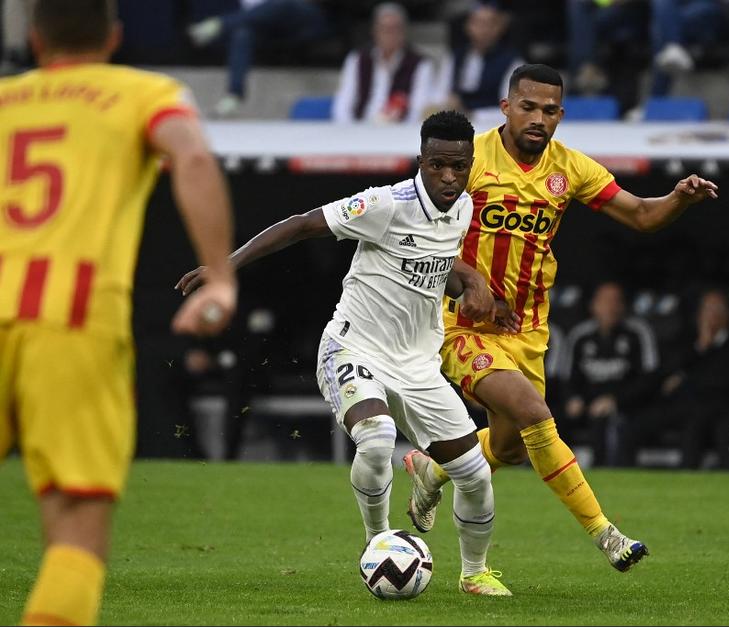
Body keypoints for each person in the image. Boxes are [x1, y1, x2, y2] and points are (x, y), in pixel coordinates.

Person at [177, 110, 518, 596]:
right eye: (438, 164)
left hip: (418, 363)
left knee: (474, 474)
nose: (448, 176)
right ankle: (376, 543)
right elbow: (300, 225)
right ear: (420, 160)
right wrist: (226, 267)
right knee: (377, 437)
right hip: (353, 346)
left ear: (469, 164)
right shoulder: (384, 204)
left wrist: (475, 282)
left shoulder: (461, 208)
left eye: (458, 166)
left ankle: (475, 573)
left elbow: (440, 258)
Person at [403, 64, 718, 573]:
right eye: (528, 107)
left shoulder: (570, 169)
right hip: (459, 324)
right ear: (506, 108)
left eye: (550, 111)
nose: (538, 118)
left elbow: (640, 214)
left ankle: (432, 469)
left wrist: (678, 199)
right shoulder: (469, 159)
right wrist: (470, 281)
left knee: (507, 448)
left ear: (560, 116)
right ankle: (607, 534)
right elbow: (418, 235)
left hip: (526, 330)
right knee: (535, 416)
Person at [0, 1, 238, 624]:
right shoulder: (144, 92)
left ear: (32, 37)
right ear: (114, 36)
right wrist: (219, 278)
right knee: (76, 520)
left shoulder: (5, 100)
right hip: (70, 316)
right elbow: (190, 156)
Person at [623, 288, 729, 470]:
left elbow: (726, 381)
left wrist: (684, 380)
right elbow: (669, 369)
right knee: (634, 426)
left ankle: (689, 477)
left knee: (696, 427)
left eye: (717, 309)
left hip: (716, 407)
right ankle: (624, 474)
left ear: (728, 315)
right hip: (681, 404)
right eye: (707, 309)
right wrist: (701, 347)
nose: (711, 315)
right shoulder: (688, 339)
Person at [562, 281, 659, 467]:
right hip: (587, 404)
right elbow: (568, 377)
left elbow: (649, 379)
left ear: (623, 306)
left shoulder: (637, 333)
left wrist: (615, 400)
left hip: (626, 405)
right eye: (605, 301)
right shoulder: (580, 336)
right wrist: (572, 398)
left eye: (615, 301)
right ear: (593, 306)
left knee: (611, 424)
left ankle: (607, 474)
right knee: (551, 420)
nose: (610, 307)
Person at [187, 0, 335, 118]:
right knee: (243, 35)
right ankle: (234, 95)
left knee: (282, 3)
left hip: (307, 19)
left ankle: (219, 25)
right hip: (269, 26)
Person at [331, 2, 436, 124]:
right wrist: (351, 130)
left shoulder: (420, 64)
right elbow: (343, 104)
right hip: (359, 129)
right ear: (375, 31)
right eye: (384, 29)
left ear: (403, 32)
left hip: (399, 133)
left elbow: (418, 109)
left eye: (394, 29)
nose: (389, 34)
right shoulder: (357, 59)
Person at [433, 1, 525, 120]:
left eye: (490, 24)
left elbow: (511, 110)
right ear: (468, 26)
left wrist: (472, 115)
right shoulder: (455, 57)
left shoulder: (513, 62)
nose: (484, 30)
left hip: (492, 129)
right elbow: (440, 95)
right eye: (478, 23)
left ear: (500, 28)